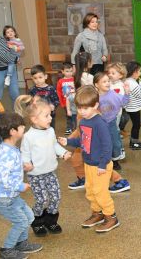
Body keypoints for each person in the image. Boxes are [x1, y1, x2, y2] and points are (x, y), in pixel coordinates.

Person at [58, 86, 119, 232]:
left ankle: (111, 216)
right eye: (79, 108)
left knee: (100, 191)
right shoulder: (83, 122)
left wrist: (103, 164)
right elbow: (82, 141)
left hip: (101, 165)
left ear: (96, 105)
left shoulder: (100, 123)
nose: (81, 111)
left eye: (85, 108)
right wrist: (68, 142)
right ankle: (97, 213)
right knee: (90, 191)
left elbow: (107, 146)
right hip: (89, 164)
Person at [0, 112, 43, 258]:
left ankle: (21, 243)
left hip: (9, 195)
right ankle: (7, 250)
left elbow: (8, 169)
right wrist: (19, 186)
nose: (24, 128)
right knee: (21, 222)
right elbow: (0, 176)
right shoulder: (6, 152)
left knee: (28, 216)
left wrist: (23, 167)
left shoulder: (11, 148)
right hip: (1, 197)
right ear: (12, 131)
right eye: (22, 127)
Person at [18, 98, 72, 237]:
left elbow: (54, 146)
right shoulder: (28, 137)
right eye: (46, 116)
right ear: (34, 119)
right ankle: (37, 222)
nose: (50, 118)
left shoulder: (50, 131)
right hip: (35, 174)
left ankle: (50, 221)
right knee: (41, 200)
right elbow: (24, 154)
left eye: (50, 115)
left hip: (50, 172)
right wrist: (26, 163)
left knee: (55, 197)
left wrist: (64, 152)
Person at [94, 73, 130, 172]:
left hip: (111, 123)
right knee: (103, 143)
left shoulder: (113, 94)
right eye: (104, 82)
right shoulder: (95, 97)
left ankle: (115, 161)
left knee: (115, 143)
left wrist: (126, 93)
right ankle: (105, 161)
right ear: (96, 85)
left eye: (108, 81)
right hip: (99, 124)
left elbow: (124, 102)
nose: (107, 83)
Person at [123, 61, 141, 150]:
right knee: (136, 125)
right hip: (133, 108)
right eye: (139, 71)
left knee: (136, 125)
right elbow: (140, 94)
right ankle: (134, 143)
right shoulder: (133, 82)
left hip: (132, 107)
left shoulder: (128, 80)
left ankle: (134, 141)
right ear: (134, 72)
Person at [56, 62, 76, 135]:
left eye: (71, 71)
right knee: (68, 116)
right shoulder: (60, 81)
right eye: (67, 71)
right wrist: (61, 102)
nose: (69, 73)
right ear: (62, 71)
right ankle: (69, 128)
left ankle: (76, 128)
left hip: (74, 102)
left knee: (75, 116)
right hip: (65, 102)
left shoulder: (74, 79)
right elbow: (58, 92)